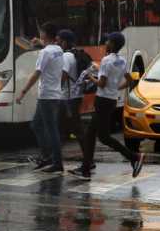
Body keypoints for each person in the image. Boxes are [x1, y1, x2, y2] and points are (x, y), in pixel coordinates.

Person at [70, 32, 144, 180]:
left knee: (99, 136)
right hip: (111, 100)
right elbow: (130, 81)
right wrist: (116, 88)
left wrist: (89, 76)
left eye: (108, 41)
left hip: (102, 100)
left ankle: (134, 157)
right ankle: (86, 168)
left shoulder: (106, 60)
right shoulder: (122, 61)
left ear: (113, 44)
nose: (106, 43)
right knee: (97, 135)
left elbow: (102, 83)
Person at [17, 23, 65, 173]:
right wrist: (40, 43)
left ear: (45, 34)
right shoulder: (58, 49)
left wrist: (23, 92)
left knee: (51, 130)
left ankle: (56, 162)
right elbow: (48, 47)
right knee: (37, 125)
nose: (40, 34)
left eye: (41, 32)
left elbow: (36, 74)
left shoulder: (45, 53)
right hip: (53, 94)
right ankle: (47, 157)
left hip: (46, 95)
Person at [57, 30, 89, 173]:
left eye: (59, 41)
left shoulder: (66, 56)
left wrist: (54, 88)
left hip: (68, 98)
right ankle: (53, 158)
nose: (57, 43)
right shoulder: (76, 53)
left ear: (64, 42)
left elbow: (63, 76)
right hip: (75, 96)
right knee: (65, 129)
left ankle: (88, 161)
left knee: (76, 130)